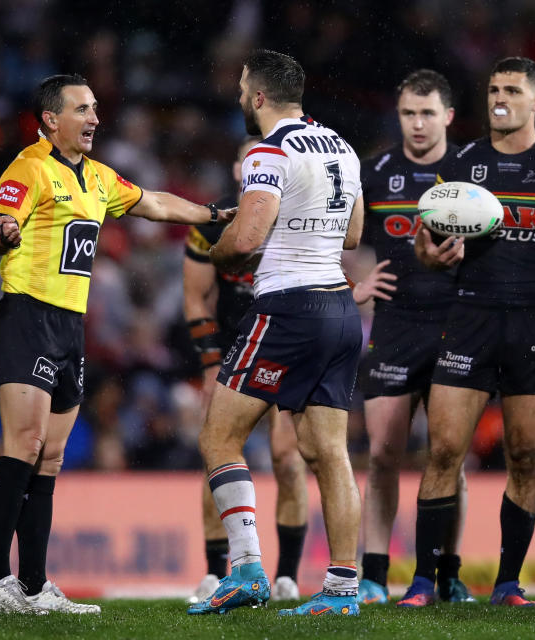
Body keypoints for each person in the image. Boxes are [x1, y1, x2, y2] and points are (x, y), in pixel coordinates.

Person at [0, 74, 228, 615]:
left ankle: (36, 586)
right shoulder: (29, 167)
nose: (94, 118)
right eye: (82, 110)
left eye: (95, 109)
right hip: (27, 316)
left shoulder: (96, 178)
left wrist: (210, 215)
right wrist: (3, 233)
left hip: (70, 326)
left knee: (53, 456)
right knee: (24, 443)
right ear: (51, 119)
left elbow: (153, 202)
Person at [398, 57, 535, 608]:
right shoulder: (461, 162)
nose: (499, 98)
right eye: (493, 89)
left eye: (512, 90)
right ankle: (422, 582)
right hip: (469, 321)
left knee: (526, 455)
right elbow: (425, 245)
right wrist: (434, 254)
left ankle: (508, 583)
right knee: (442, 451)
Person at [187, 49, 366, 617]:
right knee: (329, 452)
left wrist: (217, 249)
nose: (240, 96)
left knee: (218, 437)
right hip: (341, 308)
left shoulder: (269, 150)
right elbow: (355, 234)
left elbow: (246, 237)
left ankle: (245, 571)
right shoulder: (341, 145)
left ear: (259, 97)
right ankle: (341, 589)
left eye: (243, 88)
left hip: (289, 308)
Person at [356, 69, 473, 605]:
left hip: (457, 322)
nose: (418, 123)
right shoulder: (375, 172)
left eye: (428, 113)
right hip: (397, 322)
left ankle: (447, 573)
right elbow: (339, 233)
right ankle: (375, 575)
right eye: (408, 113)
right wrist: (353, 280)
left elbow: (504, 242)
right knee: (383, 453)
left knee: (448, 456)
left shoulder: (472, 173)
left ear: (448, 116)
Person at [183, 136, 308, 603]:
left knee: (288, 458)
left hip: (288, 349)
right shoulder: (211, 222)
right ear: (240, 171)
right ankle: (216, 571)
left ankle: (287, 576)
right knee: (216, 452)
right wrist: (211, 363)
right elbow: (195, 296)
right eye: (249, 162)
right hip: (235, 354)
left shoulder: (297, 219)